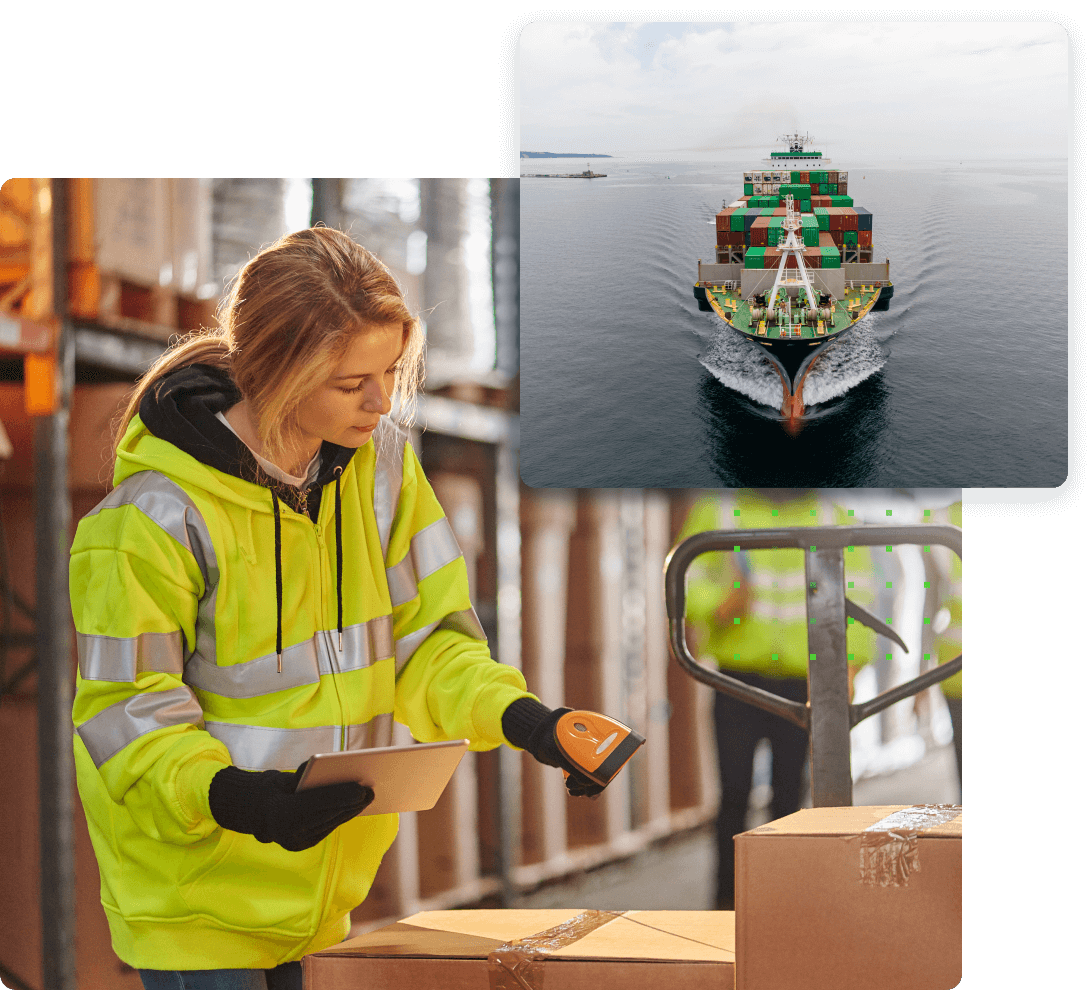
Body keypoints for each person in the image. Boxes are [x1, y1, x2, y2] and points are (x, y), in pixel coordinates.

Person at [70, 227, 612, 990]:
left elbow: (434, 643)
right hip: (193, 901)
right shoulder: (151, 519)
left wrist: (530, 721)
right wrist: (236, 798)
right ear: (276, 372)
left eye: (390, 370)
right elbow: (127, 710)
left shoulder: (383, 474)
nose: (382, 399)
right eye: (351, 379)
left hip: (320, 901)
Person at [675, 489, 877, 911]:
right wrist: (719, 605)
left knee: (790, 795)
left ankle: (783, 903)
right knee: (733, 794)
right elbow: (683, 578)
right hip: (737, 680)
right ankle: (727, 904)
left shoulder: (830, 511)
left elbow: (860, 593)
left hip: (806, 681)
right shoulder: (719, 508)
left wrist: (849, 667)